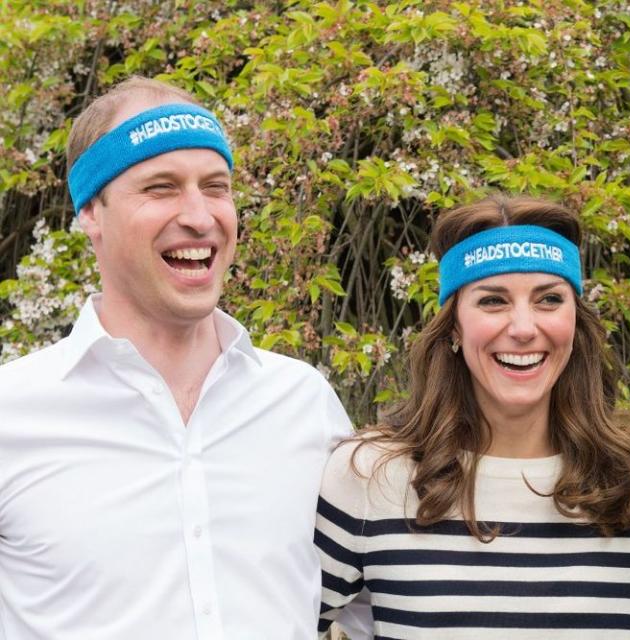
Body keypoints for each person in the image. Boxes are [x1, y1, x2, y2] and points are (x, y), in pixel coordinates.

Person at [0, 77, 360, 639]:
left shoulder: (304, 402)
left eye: (215, 187)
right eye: (161, 188)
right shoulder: (13, 413)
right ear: (92, 210)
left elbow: (375, 606)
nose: (199, 215)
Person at [315, 195, 630, 639]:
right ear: (454, 325)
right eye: (493, 301)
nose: (525, 327)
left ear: (575, 320)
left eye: (549, 299)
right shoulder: (370, 476)